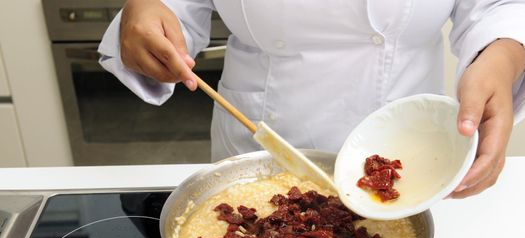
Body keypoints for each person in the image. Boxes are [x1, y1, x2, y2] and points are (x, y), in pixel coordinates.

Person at [98, 0, 525, 199]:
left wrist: (503, 57)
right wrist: (150, 8)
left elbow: (496, 7)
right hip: (259, 149)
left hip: (409, 152)